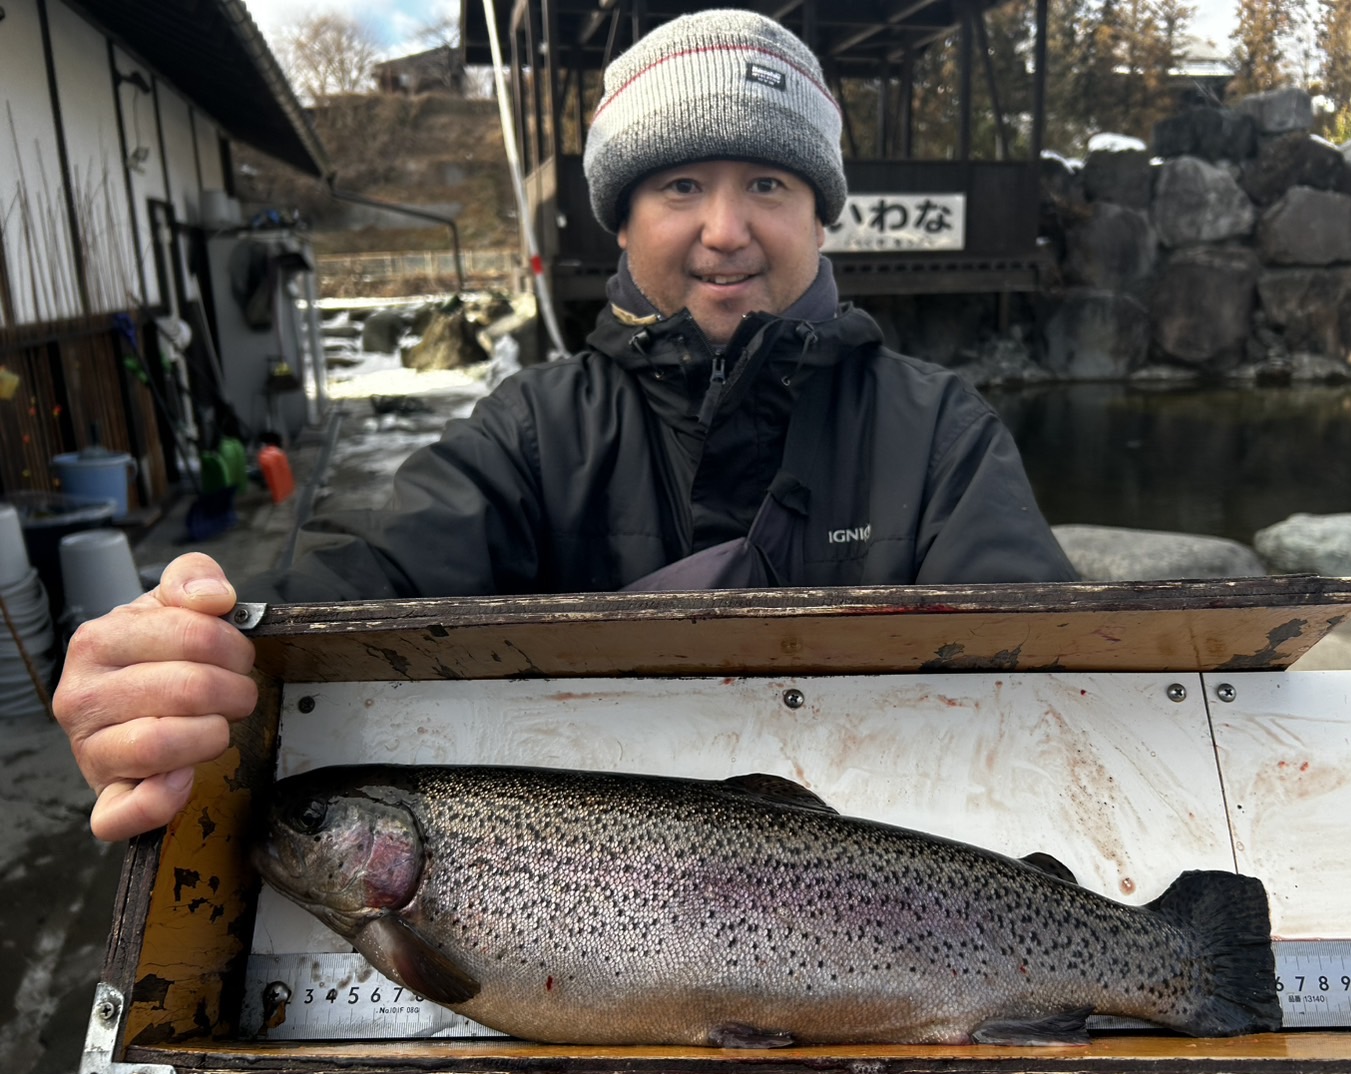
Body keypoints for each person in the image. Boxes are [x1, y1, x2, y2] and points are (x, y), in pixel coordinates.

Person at [56, 8, 1074, 843]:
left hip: (891, 1049)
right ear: (621, 220)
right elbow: (370, 589)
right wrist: (189, 664)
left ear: (820, 214)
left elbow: (1067, 705)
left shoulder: (939, 429)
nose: (725, 229)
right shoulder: (532, 431)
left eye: (767, 183)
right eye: (681, 185)